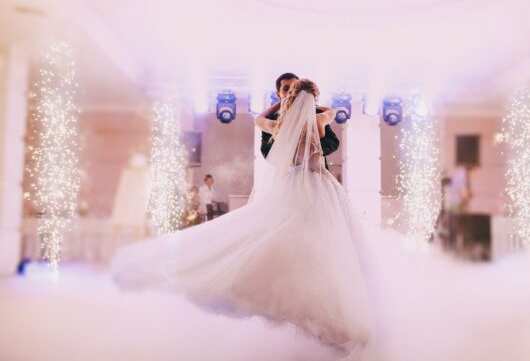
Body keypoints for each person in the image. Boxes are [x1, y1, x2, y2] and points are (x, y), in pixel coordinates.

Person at [112, 79, 374, 356]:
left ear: (291, 99)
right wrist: (309, 104)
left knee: (292, 244)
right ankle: (321, 314)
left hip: (292, 187)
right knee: (323, 249)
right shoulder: (318, 122)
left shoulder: (280, 125)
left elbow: (260, 120)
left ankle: (309, 312)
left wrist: (285, 103)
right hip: (317, 189)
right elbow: (329, 119)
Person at [260, 72, 339, 170]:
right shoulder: (319, 117)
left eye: (293, 88)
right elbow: (267, 151)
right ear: (278, 94)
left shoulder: (279, 124)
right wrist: (311, 150)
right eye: (286, 88)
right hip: (306, 174)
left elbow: (333, 142)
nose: (290, 92)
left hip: (291, 175)